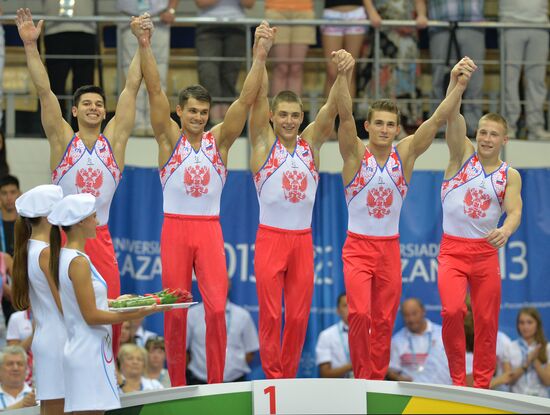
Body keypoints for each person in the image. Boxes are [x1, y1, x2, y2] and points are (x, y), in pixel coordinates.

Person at [139, 18, 274, 385]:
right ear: (179, 112)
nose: (198, 117)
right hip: (176, 229)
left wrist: (259, 55)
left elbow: (246, 100)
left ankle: (216, 384)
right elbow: (153, 90)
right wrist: (145, 44)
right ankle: (178, 384)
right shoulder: (169, 139)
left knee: (216, 309)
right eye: (192, 111)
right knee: (176, 309)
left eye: (203, 112)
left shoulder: (220, 142)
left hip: (209, 229)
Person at [16, 8, 151, 358]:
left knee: (112, 310)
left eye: (98, 104)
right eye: (86, 104)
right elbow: (45, 92)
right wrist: (31, 45)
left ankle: (108, 368)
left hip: (99, 238)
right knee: (58, 311)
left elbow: (132, 86)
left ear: (104, 112)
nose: (93, 108)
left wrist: (142, 42)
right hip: (60, 239)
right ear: (74, 111)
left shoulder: (114, 143)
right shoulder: (63, 140)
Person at [335, 57, 471, 380]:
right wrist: (342, 76)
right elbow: (342, 115)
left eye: (390, 124)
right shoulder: (355, 153)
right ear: (367, 126)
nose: (384, 129)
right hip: (358, 248)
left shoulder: (405, 154)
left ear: (398, 129)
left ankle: (376, 379)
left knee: (383, 319)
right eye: (378, 123)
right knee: (359, 313)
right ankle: (361, 376)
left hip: (388, 249)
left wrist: (457, 84)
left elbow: (438, 118)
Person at [249, 43, 353, 378]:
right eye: (283, 115)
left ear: (301, 117)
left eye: (296, 115)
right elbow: (258, 95)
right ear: (271, 116)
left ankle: (288, 377)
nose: (290, 121)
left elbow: (334, 109)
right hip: (271, 239)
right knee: (271, 315)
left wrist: (341, 72)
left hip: (301, 242)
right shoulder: (262, 144)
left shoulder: (311, 145)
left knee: (296, 316)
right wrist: (261, 56)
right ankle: (273, 379)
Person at [438, 57, 523, 389]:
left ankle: (483, 385)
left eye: (494, 135)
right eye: (483, 132)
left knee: (487, 321)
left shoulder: (509, 175)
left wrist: (506, 229)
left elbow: (514, 211)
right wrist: (456, 83)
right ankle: (459, 380)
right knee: (451, 311)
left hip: (485, 253)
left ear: (504, 140)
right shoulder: (461, 155)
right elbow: (452, 116)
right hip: (453, 252)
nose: (486, 139)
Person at [48, 193, 164, 412]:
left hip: (91, 349)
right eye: (93, 217)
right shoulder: (78, 261)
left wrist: (117, 302)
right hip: (87, 352)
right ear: (81, 222)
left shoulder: (71, 257)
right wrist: (136, 314)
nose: (98, 222)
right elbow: (91, 315)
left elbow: (85, 302)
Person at [11, 184, 65, 414]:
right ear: (48, 216)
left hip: (47, 338)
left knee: (51, 408)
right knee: (57, 409)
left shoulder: (29, 249)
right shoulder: (45, 252)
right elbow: (66, 305)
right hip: (59, 340)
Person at [117, 0, 179, 136]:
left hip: (159, 19)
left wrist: (171, 10)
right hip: (130, 20)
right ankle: (135, 123)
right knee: (132, 76)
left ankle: (156, 124)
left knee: (159, 74)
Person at [427, 0, 485, 136]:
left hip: (473, 24)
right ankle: (438, 125)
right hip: (440, 23)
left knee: (474, 78)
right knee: (439, 78)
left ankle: (473, 125)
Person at [196, 0, 256, 124]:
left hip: (237, 24)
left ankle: (227, 119)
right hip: (208, 23)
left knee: (231, 70)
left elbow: (249, 4)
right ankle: (214, 116)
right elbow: (201, 2)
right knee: (208, 69)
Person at [499, 0, 550, 140]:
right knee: (509, 79)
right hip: (510, 23)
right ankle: (508, 127)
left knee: (537, 81)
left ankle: (536, 127)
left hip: (540, 24)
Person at [186, 290, 259, 384]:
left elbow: (250, 350)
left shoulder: (242, 315)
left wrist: (232, 368)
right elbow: (183, 350)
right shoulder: (192, 314)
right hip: (199, 380)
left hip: (235, 381)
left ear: (228, 284)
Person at [42, 0, 97, 117]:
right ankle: (55, 126)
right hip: (55, 29)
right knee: (56, 84)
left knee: (84, 85)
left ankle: (82, 127)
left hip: (85, 28)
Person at [322, 0, 381, 97]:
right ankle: (330, 112)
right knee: (332, 71)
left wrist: (371, 11)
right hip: (331, 13)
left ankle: (347, 112)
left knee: (350, 70)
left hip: (356, 13)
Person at [387, 298, 451, 384]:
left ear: (423, 311)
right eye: (406, 315)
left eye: (414, 314)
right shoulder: (397, 340)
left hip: (441, 389)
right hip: (411, 392)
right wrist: (400, 379)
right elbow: (391, 369)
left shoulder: (442, 334)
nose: (411, 319)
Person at [265, 0, 316, 96]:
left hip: (304, 10)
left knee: (297, 68)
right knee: (281, 68)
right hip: (276, 9)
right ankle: (277, 110)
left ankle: (294, 109)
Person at [503, 308, 550, 397]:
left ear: (537, 324)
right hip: (517, 401)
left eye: (529, 322)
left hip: (541, 402)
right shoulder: (509, 347)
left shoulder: (547, 347)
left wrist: (535, 360)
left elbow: (548, 381)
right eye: (522, 323)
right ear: (517, 325)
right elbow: (507, 380)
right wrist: (526, 364)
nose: (525, 327)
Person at [315, 294, 352, 378]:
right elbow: (325, 373)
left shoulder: (369, 334)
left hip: (364, 387)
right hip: (336, 387)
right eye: (345, 306)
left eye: (353, 305)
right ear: (338, 310)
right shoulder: (326, 335)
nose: (350, 309)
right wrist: (351, 366)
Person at [0, 175, 20, 328]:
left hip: (24, 286)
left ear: (19, 193)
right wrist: (4, 287)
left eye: (12, 192)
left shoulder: (28, 223)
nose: (9, 197)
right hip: (3, 290)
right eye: (4, 193)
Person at [0, 346, 36, 410]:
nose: (15, 368)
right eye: (10, 364)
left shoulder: (37, 396)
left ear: (26, 369)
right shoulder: (30, 399)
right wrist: (22, 404)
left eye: (20, 364)